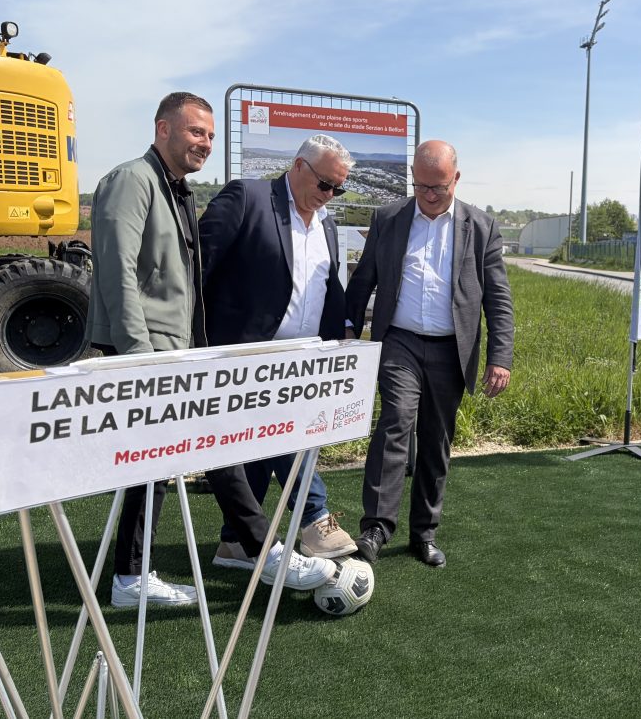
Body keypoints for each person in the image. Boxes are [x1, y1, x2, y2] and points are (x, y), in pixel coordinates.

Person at [346, 140, 514, 568]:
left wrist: (501, 356)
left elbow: (498, 298)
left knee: (437, 439)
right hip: (399, 341)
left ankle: (424, 532)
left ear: (456, 178)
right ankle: (376, 528)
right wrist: (345, 329)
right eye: (421, 186)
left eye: (438, 187)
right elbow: (364, 277)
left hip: (450, 348)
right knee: (395, 422)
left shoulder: (481, 227)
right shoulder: (389, 219)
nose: (429, 195)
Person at [197, 134, 356, 585]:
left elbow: (327, 287)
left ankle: (233, 542)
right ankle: (315, 516)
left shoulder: (324, 223)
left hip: (304, 359)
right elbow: (197, 270)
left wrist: (341, 331)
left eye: (338, 189)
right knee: (288, 434)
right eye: (325, 184)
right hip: (246, 356)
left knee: (262, 445)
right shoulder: (247, 198)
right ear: (299, 167)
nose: (329, 196)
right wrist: (196, 344)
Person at [85, 92, 213, 607]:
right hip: (146, 351)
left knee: (156, 466)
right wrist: (142, 356)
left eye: (209, 135)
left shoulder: (177, 189)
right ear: (163, 129)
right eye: (194, 132)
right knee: (147, 465)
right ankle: (130, 579)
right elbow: (117, 276)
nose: (204, 143)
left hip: (169, 348)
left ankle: (132, 574)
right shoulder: (132, 181)